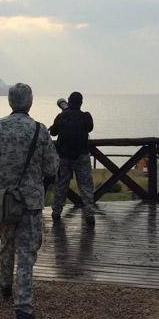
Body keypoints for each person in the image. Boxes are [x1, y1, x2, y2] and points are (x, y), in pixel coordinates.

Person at [0, 82, 59, 319]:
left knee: (6, 242)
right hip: (31, 201)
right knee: (26, 253)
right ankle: (24, 308)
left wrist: (1, 178)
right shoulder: (39, 129)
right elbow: (51, 167)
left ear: (10, 101)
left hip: (4, 199)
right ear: (30, 102)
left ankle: (5, 283)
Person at [49, 91, 95, 224]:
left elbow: (53, 132)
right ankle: (89, 213)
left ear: (69, 102)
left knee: (61, 185)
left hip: (64, 157)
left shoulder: (61, 116)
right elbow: (90, 128)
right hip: (82, 156)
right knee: (86, 185)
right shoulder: (86, 117)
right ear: (81, 103)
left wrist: (63, 116)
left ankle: (56, 211)